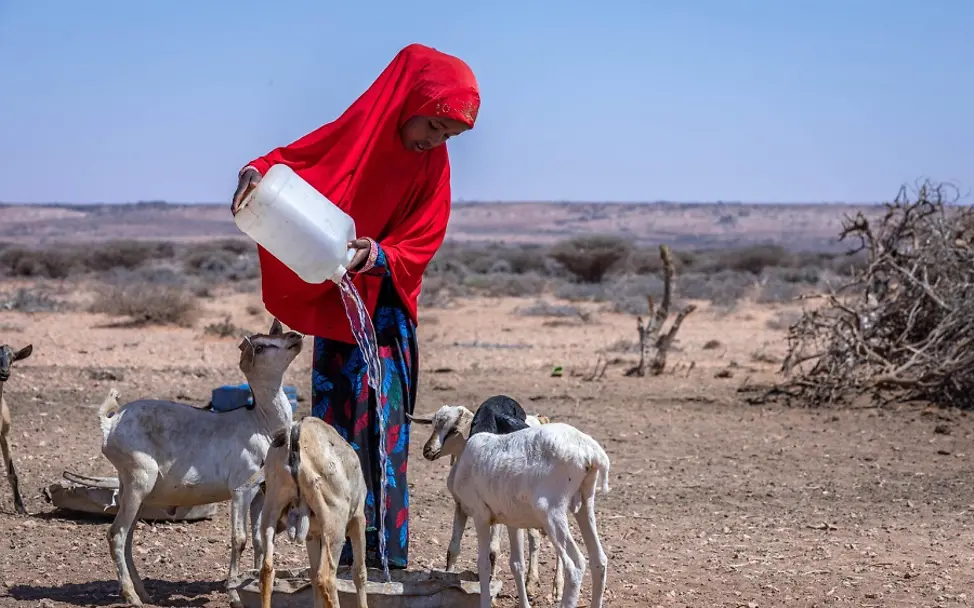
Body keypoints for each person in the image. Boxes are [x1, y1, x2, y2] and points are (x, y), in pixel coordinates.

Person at [230, 43, 480, 571]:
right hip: (340, 313)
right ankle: (334, 561)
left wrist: (380, 253)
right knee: (331, 439)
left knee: (383, 442)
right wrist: (253, 172)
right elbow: (292, 163)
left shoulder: (433, 165)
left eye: (447, 135)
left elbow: (426, 236)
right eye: (433, 126)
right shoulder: (357, 133)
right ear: (409, 99)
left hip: (384, 320)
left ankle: (387, 560)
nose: (435, 141)